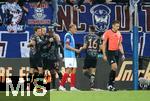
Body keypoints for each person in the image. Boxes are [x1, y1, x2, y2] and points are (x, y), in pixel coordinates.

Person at [102, 20, 125, 91]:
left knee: (114, 69)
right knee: (114, 67)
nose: (118, 27)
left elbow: (120, 44)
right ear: (113, 26)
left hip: (116, 53)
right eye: (116, 26)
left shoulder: (119, 34)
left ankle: (111, 85)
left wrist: (123, 54)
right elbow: (104, 44)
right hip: (109, 52)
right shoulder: (108, 32)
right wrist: (104, 54)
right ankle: (109, 84)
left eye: (118, 26)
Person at [80, 25, 102, 89]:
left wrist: (81, 48)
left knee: (84, 71)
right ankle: (92, 81)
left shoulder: (86, 37)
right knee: (93, 70)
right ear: (94, 30)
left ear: (89, 30)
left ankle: (90, 78)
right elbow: (100, 48)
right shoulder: (98, 37)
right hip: (95, 56)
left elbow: (84, 46)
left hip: (88, 56)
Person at [59, 24, 80, 91]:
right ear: (70, 28)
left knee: (74, 70)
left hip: (72, 56)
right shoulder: (68, 35)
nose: (75, 30)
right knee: (68, 70)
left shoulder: (71, 35)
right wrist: (75, 50)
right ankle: (61, 86)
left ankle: (72, 87)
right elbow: (67, 46)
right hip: (69, 56)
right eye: (74, 28)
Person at [27, 26, 43, 90]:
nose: (40, 32)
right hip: (36, 56)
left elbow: (29, 44)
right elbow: (33, 43)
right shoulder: (36, 36)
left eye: (40, 31)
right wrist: (31, 43)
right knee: (40, 71)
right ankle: (38, 86)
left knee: (32, 70)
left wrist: (30, 44)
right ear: (35, 31)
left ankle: (28, 86)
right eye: (39, 31)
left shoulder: (32, 36)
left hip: (32, 55)